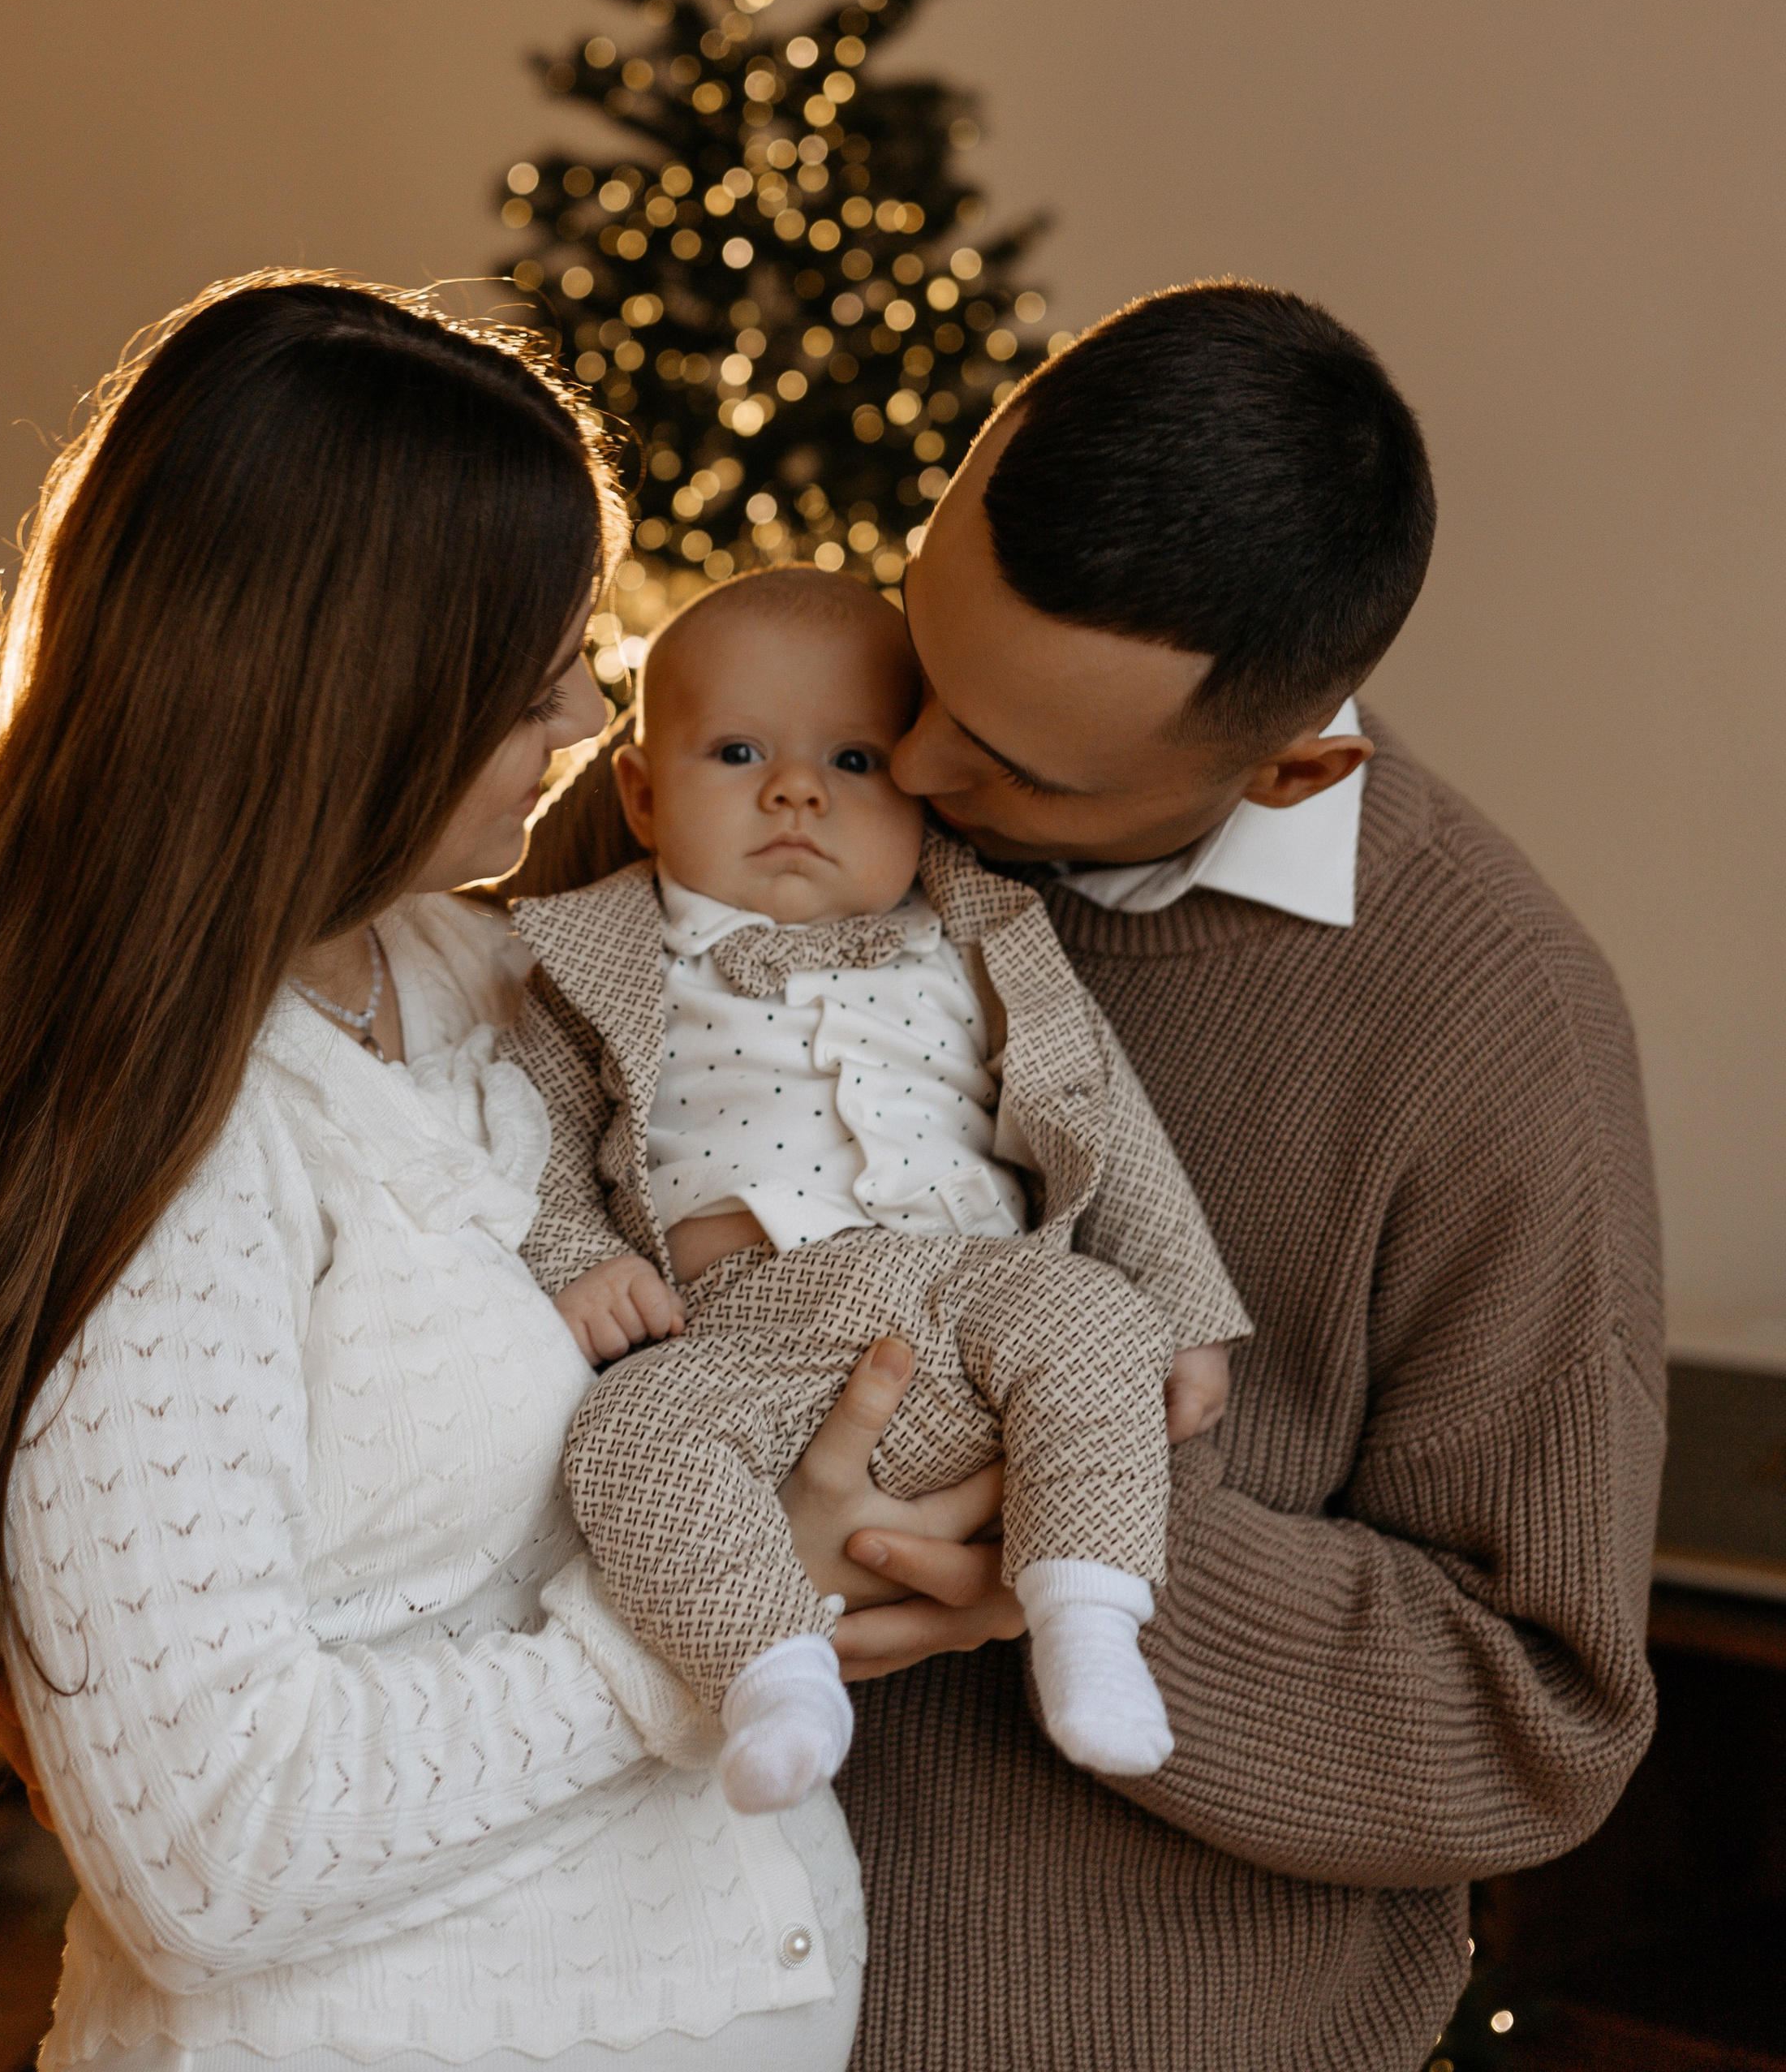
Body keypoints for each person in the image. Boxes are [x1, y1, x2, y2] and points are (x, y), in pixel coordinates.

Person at [0, 272, 995, 2072]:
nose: (580, 718)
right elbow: (210, 1854)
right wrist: (708, 1621)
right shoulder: (168, 1143)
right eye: (535, 669)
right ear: (347, 699)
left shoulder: (485, 980)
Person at [519, 281, 1666, 2072]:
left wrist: (1047, 1528)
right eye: (924, 654)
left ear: (1292, 762)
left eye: (1003, 766)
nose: (897, 766)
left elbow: (1534, 1720)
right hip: (632, 2007)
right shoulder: (751, 773)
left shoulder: (1487, 1023)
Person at [503, 565, 1250, 1812]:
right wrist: (576, 1257)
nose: (795, 790)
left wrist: (1185, 1298)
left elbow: (1108, 1120)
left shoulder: (984, 935)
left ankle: (1090, 1623)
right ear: (638, 793)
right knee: (626, 1439)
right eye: (738, 751)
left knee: (1103, 1320)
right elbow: (522, 1142)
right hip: (750, 1328)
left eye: (852, 762)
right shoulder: (590, 961)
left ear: (925, 798)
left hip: (977, 1292)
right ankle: (773, 1673)